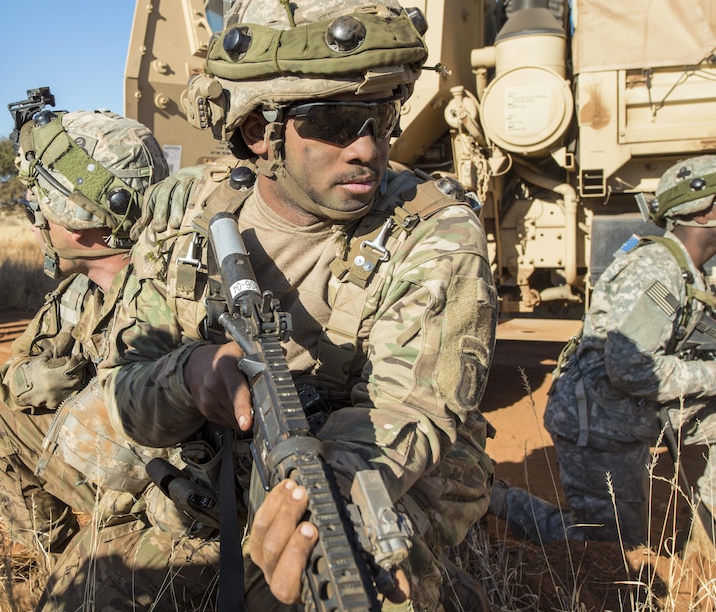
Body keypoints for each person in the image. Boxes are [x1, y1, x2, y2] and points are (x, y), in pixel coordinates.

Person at [41, 1, 499, 609]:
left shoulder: (436, 231)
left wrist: (315, 502)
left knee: (357, 569)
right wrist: (191, 378)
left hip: (358, 462)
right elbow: (125, 383)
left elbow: (406, 410)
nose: (366, 148)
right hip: (214, 456)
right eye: (334, 122)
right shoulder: (186, 208)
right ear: (260, 132)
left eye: (381, 117)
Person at [491, 154, 716, 555]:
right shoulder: (655, 269)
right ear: (702, 211)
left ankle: (705, 545)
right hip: (598, 422)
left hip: (637, 408)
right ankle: (498, 499)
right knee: (608, 547)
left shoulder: (684, 270)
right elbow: (633, 370)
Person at [0, 106, 172, 573]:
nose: (35, 219)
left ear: (78, 215)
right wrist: (32, 380)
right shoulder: (79, 292)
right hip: (110, 463)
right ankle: (58, 560)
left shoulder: (169, 297)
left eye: (39, 204)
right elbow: (9, 376)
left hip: (162, 493)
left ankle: (91, 573)